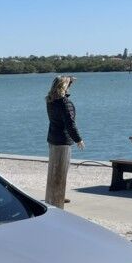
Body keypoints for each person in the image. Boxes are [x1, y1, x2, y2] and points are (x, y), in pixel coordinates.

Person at [45, 75, 83, 206]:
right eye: (68, 85)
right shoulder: (65, 103)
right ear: (64, 87)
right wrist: (78, 139)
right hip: (62, 140)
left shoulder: (50, 101)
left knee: (53, 169)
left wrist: (69, 80)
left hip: (52, 138)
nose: (70, 86)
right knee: (61, 169)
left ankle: (53, 195)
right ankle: (58, 197)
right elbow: (70, 124)